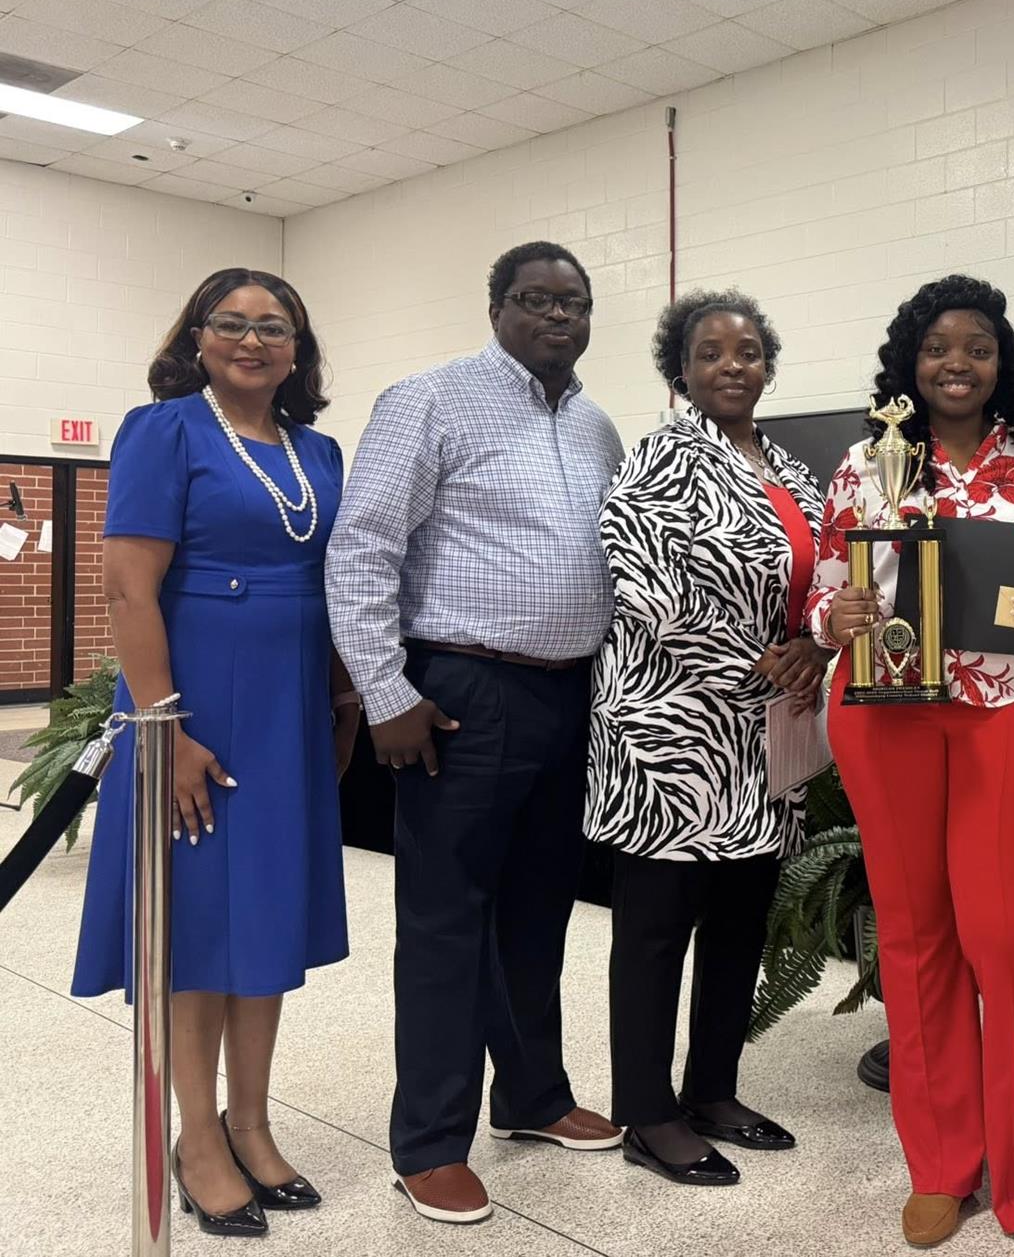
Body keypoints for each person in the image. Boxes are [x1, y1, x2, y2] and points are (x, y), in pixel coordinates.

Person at [808, 275, 1014, 1256]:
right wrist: (833, 617)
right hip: (885, 712)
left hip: (1005, 710)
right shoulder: (864, 465)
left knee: (1013, 937)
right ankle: (939, 1164)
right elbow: (825, 586)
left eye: (975, 347)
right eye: (938, 346)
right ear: (911, 359)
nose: (955, 363)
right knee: (912, 935)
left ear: (1000, 361)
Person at [326, 242, 624, 1225]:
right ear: (496, 307)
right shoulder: (431, 399)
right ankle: (428, 1143)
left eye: (572, 302)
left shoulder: (595, 426)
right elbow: (363, 547)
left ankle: (533, 1096)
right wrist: (385, 691)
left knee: (540, 909)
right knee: (448, 922)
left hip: (566, 695)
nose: (557, 316)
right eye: (536, 300)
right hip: (460, 692)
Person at [72, 268, 351, 1237]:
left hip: (286, 708)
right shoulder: (166, 430)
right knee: (199, 929)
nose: (251, 339)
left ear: (297, 348)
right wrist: (166, 728)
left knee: (263, 924)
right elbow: (125, 591)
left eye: (273, 325)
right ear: (197, 337)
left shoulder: (318, 449)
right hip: (194, 704)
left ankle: (253, 1121)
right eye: (229, 323)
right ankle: (197, 1138)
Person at [588, 288, 825, 1187]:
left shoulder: (791, 469)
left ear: (769, 364)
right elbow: (646, 589)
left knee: (738, 924)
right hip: (668, 732)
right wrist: (768, 660)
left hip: (762, 737)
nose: (734, 364)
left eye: (751, 350)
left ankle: (713, 1089)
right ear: (680, 369)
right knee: (654, 930)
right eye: (713, 351)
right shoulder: (658, 461)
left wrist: (811, 646)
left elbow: (822, 575)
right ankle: (646, 1110)